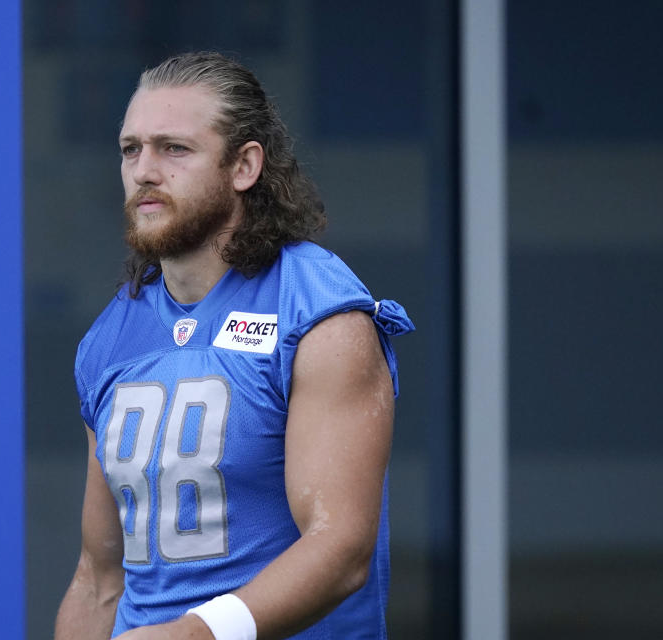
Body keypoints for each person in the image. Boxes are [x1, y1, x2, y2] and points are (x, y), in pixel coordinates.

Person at [54, 51, 414, 640]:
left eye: (174, 148)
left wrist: (196, 633)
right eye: (130, 149)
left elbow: (342, 546)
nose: (144, 169)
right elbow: (99, 578)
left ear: (244, 166)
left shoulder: (317, 310)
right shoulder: (109, 337)